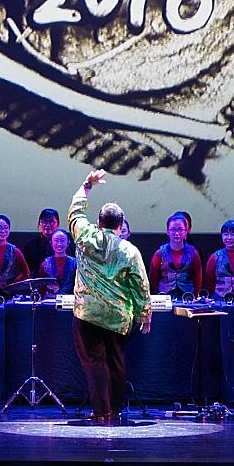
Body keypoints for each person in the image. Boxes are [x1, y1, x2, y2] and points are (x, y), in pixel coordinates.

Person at [67, 169, 152, 425]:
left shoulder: (85, 236)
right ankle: (114, 409)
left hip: (88, 314)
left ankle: (102, 411)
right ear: (120, 225)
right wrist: (145, 315)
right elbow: (140, 285)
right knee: (115, 362)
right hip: (118, 318)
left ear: (99, 222)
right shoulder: (129, 250)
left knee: (94, 364)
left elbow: (74, 212)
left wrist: (87, 185)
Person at [149, 212, 202, 295]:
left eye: (180, 229)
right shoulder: (159, 254)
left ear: (186, 231)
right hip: (164, 295)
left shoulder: (193, 253)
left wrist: (196, 296)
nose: (177, 233)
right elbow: (153, 279)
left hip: (187, 296)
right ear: (167, 231)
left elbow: (197, 279)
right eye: (173, 229)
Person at [21, 208, 60, 275]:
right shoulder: (31, 245)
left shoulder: (63, 243)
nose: (47, 225)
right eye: (44, 221)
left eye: (51, 222)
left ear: (58, 224)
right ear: (39, 224)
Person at [38, 228, 76, 295]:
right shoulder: (44, 264)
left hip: (69, 300)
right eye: (56, 240)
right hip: (50, 301)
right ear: (51, 243)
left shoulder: (75, 264)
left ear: (68, 243)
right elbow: (41, 288)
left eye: (62, 241)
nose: (59, 244)